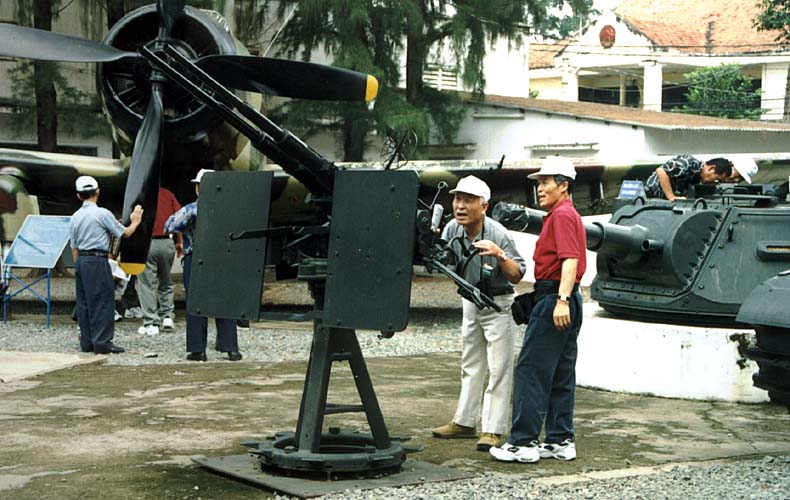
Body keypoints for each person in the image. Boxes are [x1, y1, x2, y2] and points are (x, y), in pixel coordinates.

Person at [490, 156, 586, 464]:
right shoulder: (566, 214)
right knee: (559, 373)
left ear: (564, 185)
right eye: (539, 182)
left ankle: (523, 443)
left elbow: (569, 260)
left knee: (531, 370)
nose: (540, 188)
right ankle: (559, 439)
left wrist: (560, 300)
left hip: (556, 296)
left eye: (545, 182)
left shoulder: (561, 215)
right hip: (566, 297)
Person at [431, 175, 526, 452]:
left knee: (499, 367)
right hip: (470, 299)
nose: (460, 205)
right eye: (458, 199)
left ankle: (494, 429)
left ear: (483, 206)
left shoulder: (498, 234)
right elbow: (442, 258)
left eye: (468, 200)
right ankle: (464, 421)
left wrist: (499, 255)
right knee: (470, 362)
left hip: (498, 303)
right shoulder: (451, 228)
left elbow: (518, 274)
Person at [164, 169, 242, 362]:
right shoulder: (229, 209)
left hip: (196, 259)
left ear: (198, 189)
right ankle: (231, 348)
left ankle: (198, 350)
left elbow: (169, 226)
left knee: (196, 305)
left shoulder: (191, 209)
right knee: (225, 304)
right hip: (222, 259)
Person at [69, 175, 143, 354]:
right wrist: (136, 221)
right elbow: (124, 233)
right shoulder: (103, 214)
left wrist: (78, 265)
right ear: (98, 192)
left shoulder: (75, 216)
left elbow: (74, 248)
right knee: (102, 302)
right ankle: (102, 343)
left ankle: (87, 342)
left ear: (79, 196)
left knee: (84, 303)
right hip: (97, 260)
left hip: (81, 262)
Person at [136, 187, 183, 336]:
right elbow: (179, 217)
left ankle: (151, 322)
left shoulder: (141, 194)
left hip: (147, 243)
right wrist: (179, 241)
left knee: (146, 284)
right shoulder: (168, 194)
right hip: (167, 242)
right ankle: (167, 316)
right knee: (166, 281)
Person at [644, 155, 732, 201]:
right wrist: (671, 196)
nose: (715, 181)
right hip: (649, 196)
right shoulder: (688, 162)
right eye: (716, 178)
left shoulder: (697, 176)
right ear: (711, 168)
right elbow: (661, 172)